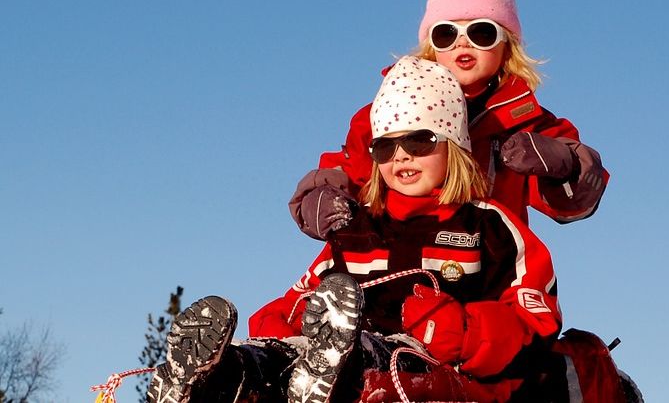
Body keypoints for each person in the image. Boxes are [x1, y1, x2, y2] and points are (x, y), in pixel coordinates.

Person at [146, 57, 565, 403]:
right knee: (287, 354)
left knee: (373, 362)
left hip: (431, 371)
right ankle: (223, 377)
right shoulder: (357, 228)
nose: (402, 155)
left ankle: (326, 374)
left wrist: (466, 331)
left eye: (419, 141)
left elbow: (536, 321)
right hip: (339, 357)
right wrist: (285, 321)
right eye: (386, 145)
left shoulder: (487, 227)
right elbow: (300, 296)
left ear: (453, 145)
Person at [290, 0, 608, 244]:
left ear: (507, 44)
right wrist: (323, 194)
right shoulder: (392, 112)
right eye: (447, 33)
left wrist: (563, 165)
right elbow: (353, 167)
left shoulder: (528, 122)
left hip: (491, 266)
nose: (462, 43)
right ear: (432, 45)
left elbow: (573, 204)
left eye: (481, 32)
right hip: (404, 258)